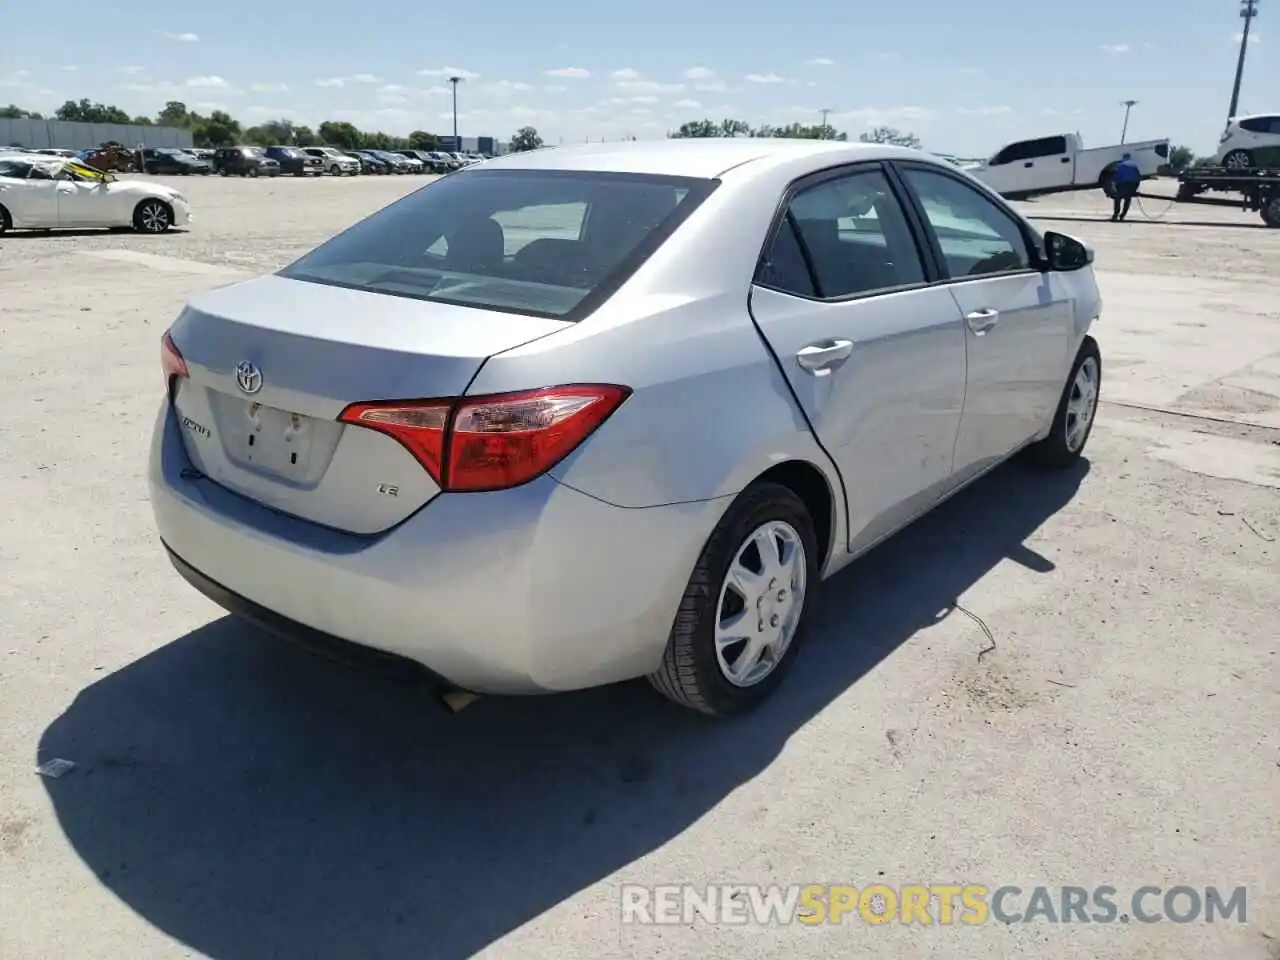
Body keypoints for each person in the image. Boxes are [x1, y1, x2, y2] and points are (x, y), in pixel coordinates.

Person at [1110, 153, 1142, 221]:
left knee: (1117, 199)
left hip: (1122, 185)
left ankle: (1115, 214)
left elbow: (1116, 177)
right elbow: (1138, 178)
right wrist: (1134, 189)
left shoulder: (1120, 165)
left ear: (1123, 158)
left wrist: (1115, 187)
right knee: (1127, 200)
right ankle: (1123, 215)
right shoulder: (1134, 165)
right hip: (1131, 185)